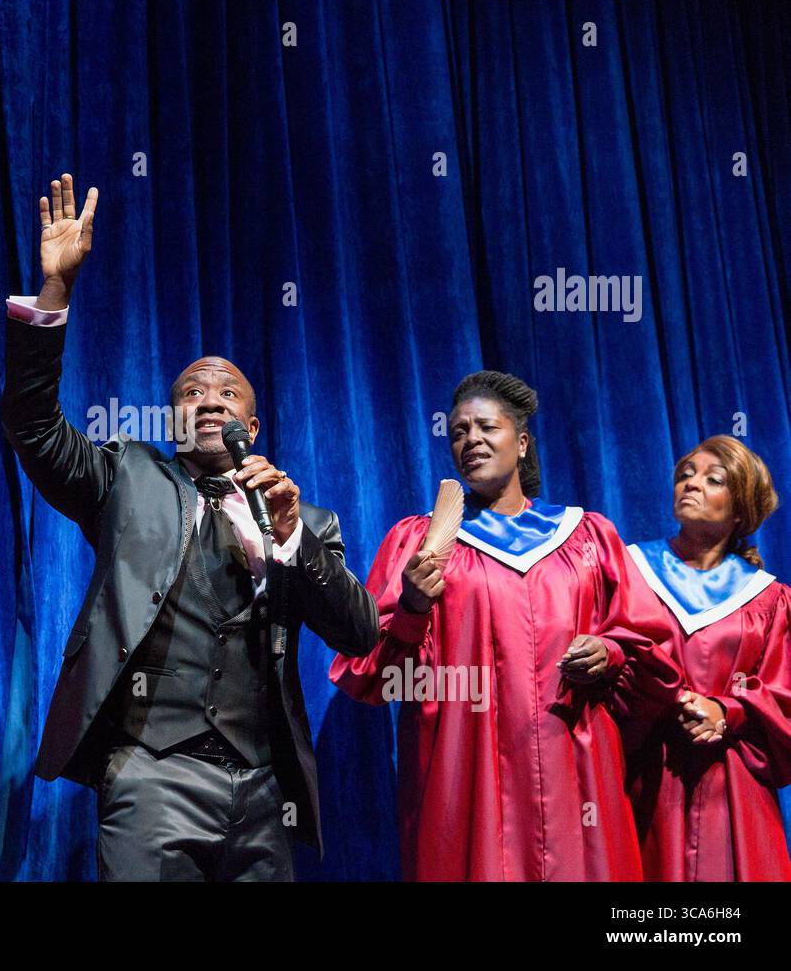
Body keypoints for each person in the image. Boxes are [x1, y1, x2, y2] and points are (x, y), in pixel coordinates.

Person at [1, 173, 379, 881]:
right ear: (172, 419)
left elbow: (359, 633)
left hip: (263, 789)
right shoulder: (125, 476)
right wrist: (56, 294)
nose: (208, 400)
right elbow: (32, 426)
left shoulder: (303, 514)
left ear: (254, 424)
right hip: (150, 778)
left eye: (226, 391)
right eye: (190, 393)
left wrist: (294, 540)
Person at [330, 371, 681, 880]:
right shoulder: (422, 542)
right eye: (457, 432)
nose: (470, 439)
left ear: (520, 443)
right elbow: (368, 671)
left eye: (485, 427)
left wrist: (611, 653)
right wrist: (409, 609)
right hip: (463, 768)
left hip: (574, 760)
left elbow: (651, 647)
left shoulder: (588, 536)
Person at [625, 435, 791, 880]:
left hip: (734, 788)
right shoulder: (630, 571)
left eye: (712, 479)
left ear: (740, 511)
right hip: (647, 779)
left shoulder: (769, 599)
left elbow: (784, 696)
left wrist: (727, 710)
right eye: (685, 476)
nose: (691, 484)